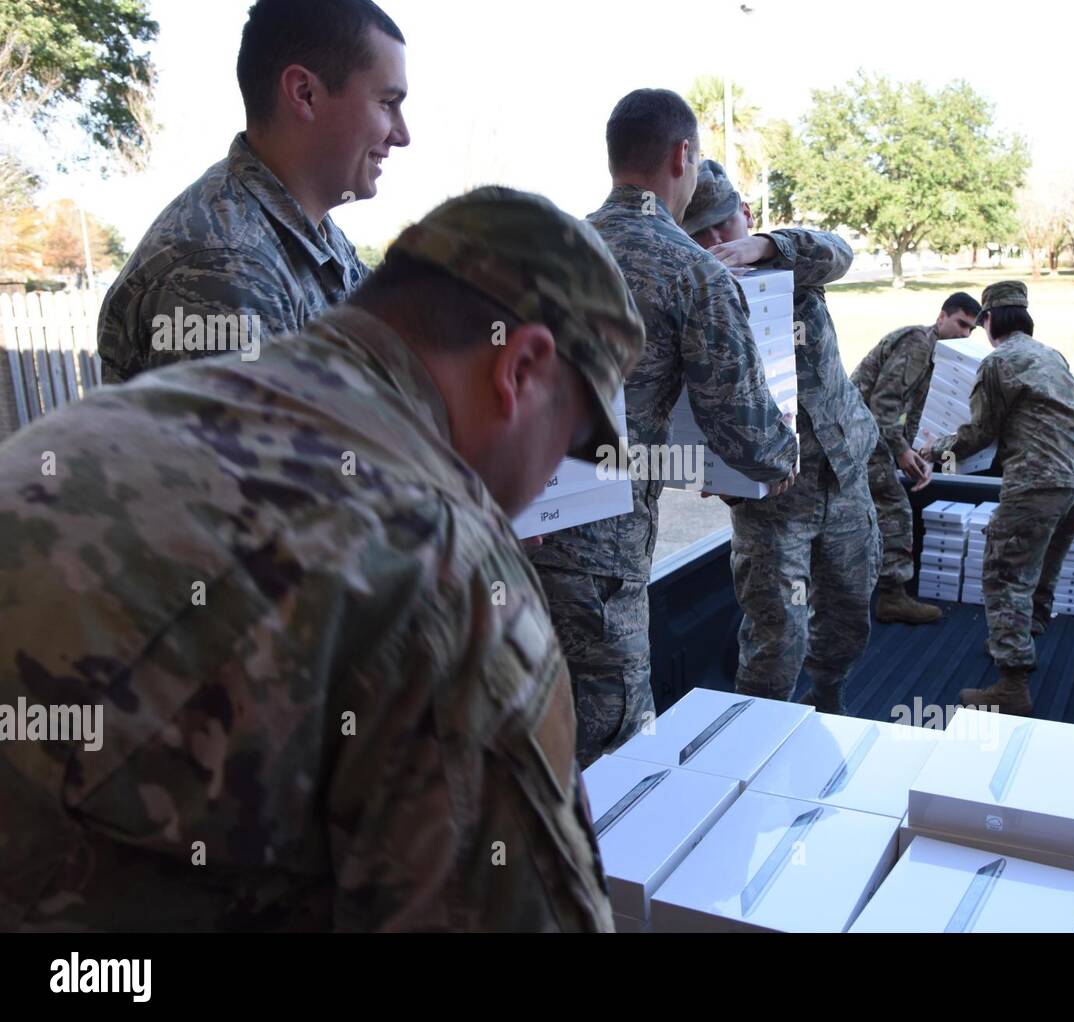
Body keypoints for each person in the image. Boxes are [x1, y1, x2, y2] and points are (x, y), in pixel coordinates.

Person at [0, 187, 644, 932]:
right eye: (565, 444)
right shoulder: (436, 564)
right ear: (521, 367)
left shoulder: (100, 425)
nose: (544, 489)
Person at [529, 90, 798, 766]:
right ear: (683, 157)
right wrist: (782, 456)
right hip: (602, 552)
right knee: (613, 741)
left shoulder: (545, 248)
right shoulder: (690, 271)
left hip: (518, 528)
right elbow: (745, 434)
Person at [97, 0, 410, 383]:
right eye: (387, 103)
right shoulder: (224, 267)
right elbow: (258, 441)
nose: (402, 135)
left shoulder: (310, 235)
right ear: (305, 93)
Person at [682, 159, 880, 713]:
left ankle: (830, 702)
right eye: (701, 234)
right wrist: (707, 466)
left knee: (848, 614)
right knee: (777, 637)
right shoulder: (697, 295)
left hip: (841, 477)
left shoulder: (793, 263)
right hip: (771, 498)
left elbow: (838, 250)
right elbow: (684, 396)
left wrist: (765, 248)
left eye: (726, 225)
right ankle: (760, 733)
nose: (719, 241)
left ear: (746, 214)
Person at [921, 281, 1074, 715]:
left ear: (990, 320)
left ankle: (1012, 686)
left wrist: (932, 450)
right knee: (1044, 567)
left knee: (1005, 574)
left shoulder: (997, 362)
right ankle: (1026, 637)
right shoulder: (1051, 355)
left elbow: (982, 432)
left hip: (1037, 481)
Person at [851, 292, 981, 623]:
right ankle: (892, 597)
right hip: (854, 432)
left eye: (971, 330)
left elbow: (913, 414)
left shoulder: (938, 355)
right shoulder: (918, 344)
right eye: (960, 324)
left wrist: (915, 453)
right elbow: (882, 406)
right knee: (895, 509)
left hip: (866, 434)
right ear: (942, 317)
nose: (965, 334)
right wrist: (901, 451)